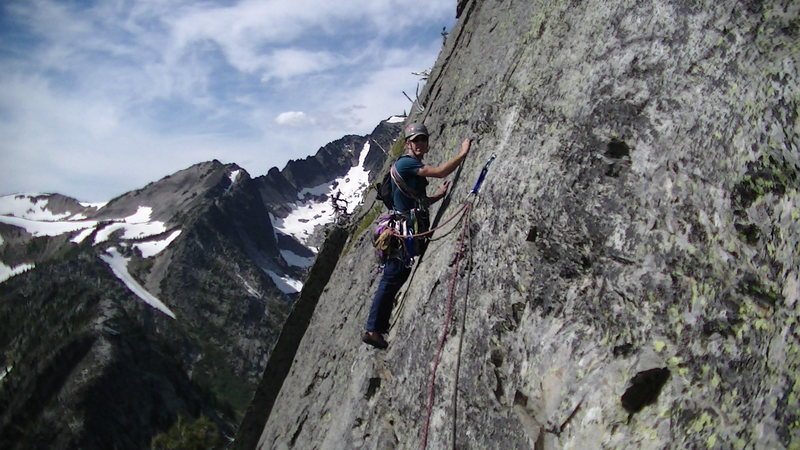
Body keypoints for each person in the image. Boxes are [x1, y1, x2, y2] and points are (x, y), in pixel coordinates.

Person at [363, 123, 472, 349]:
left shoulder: (408, 165)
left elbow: (413, 200)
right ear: (408, 144)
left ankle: (377, 328)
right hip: (403, 232)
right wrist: (463, 153)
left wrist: (436, 197)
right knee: (391, 277)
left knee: (396, 277)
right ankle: (373, 329)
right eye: (415, 140)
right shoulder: (406, 163)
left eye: (423, 139)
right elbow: (440, 171)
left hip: (405, 228)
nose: (420, 143)